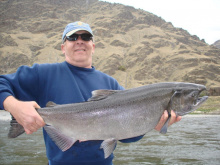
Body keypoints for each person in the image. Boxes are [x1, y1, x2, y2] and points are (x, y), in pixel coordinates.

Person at [0, 21, 181, 165]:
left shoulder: (111, 84)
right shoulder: (43, 74)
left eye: (85, 37)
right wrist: (14, 105)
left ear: (93, 46)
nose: (79, 40)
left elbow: (128, 136)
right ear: (63, 47)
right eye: (72, 37)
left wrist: (153, 124)